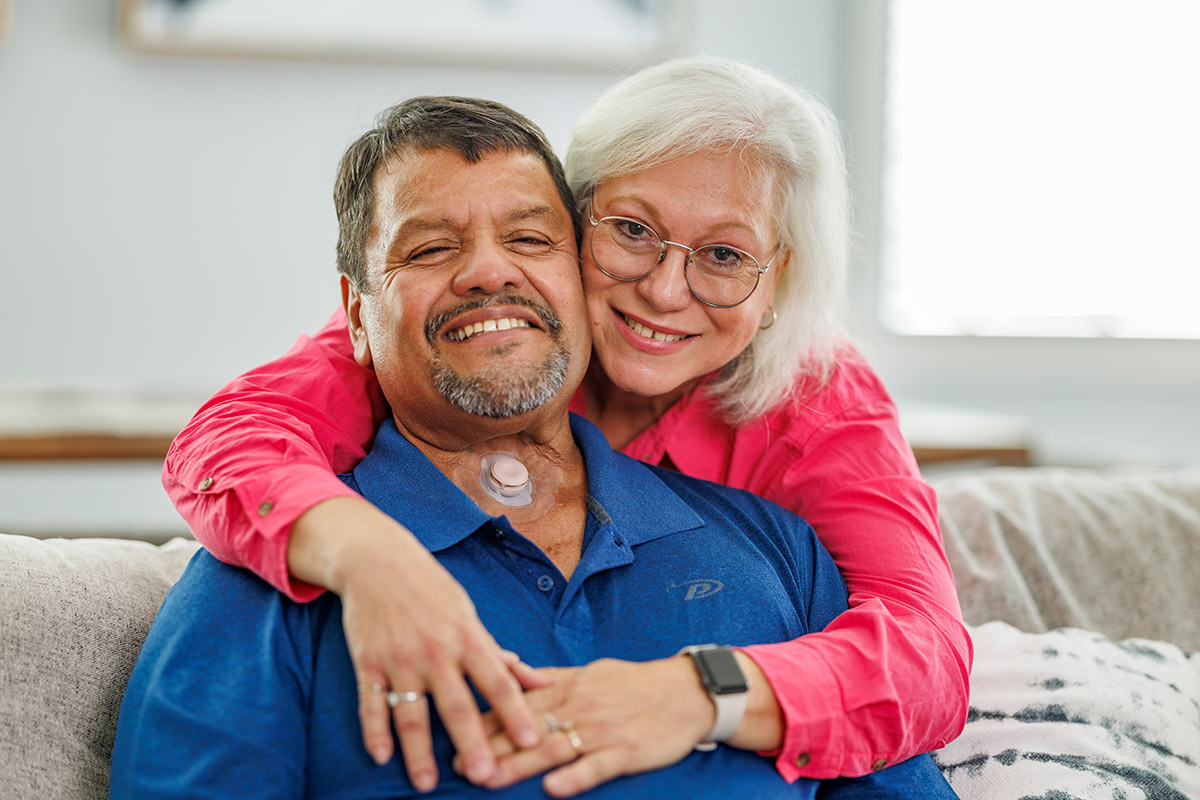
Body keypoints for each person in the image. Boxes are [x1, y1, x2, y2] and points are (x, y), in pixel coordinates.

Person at [110, 95, 956, 799]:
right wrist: (372, 560)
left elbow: (923, 663)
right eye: (432, 248)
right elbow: (229, 438)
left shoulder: (785, 539)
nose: (665, 287)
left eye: (527, 238)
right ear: (356, 314)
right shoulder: (275, 573)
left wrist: (704, 691)